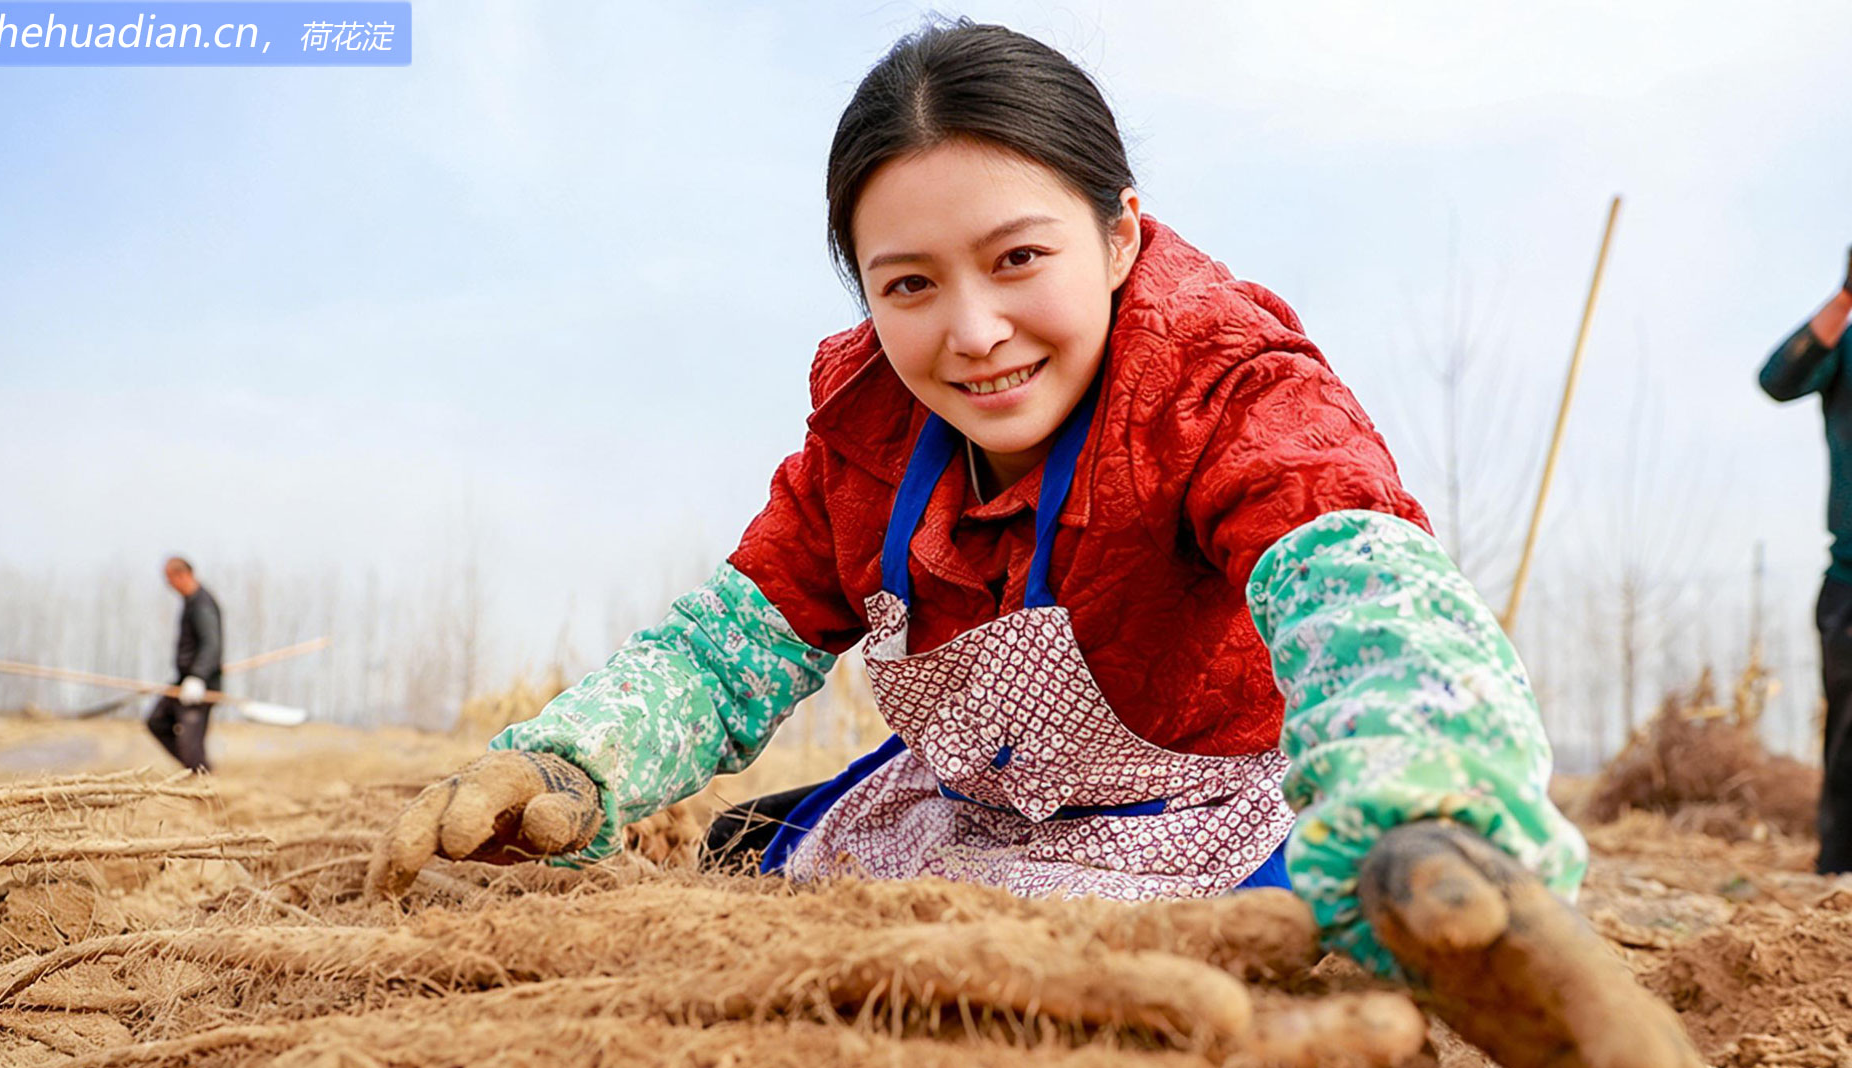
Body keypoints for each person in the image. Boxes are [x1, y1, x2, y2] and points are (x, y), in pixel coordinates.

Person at [368, 21, 1587, 978]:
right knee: (737, 870)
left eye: (1017, 259)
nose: (972, 333)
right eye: (907, 284)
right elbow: (727, 645)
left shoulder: (1222, 386)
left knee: (1201, 989)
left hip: (1199, 830)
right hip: (964, 817)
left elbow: (1361, 590)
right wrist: (578, 764)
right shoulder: (863, 435)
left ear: (1116, 238)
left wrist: (1431, 800)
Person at [1759, 247, 1852, 872]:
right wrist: (1845, 297)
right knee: (1849, 732)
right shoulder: (1842, 348)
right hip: (1851, 577)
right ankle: (1842, 869)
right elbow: (1778, 380)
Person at [148, 555, 222, 774]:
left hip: (200, 687)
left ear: (182, 575)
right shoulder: (191, 603)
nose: (169, 585)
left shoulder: (202, 605)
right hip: (183, 682)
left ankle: (204, 783)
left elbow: (212, 644)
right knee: (157, 721)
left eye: (169, 580)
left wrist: (198, 677)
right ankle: (197, 771)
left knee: (191, 746)